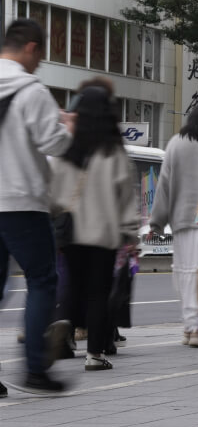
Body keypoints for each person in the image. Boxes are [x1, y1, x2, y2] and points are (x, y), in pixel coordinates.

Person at [0, 19, 73, 394]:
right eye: (41, 53)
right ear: (31, 47)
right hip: (21, 201)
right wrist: (67, 127)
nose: (41, 63)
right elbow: (54, 144)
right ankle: (34, 371)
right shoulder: (32, 90)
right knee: (42, 280)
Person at [50, 86, 139, 371]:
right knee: (98, 292)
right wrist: (130, 233)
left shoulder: (69, 149)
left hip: (71, 232)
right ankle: (95, 354)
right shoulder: (114, 153)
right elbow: (125, 198)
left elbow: (54, 195)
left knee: (74, 284)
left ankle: (64, 323)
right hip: (103, 234)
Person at [150, 101, 198, 347]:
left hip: (181, 221)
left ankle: (189, 326)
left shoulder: (175, 143)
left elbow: (164, 185)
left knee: (184, 273)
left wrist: (157, 222)